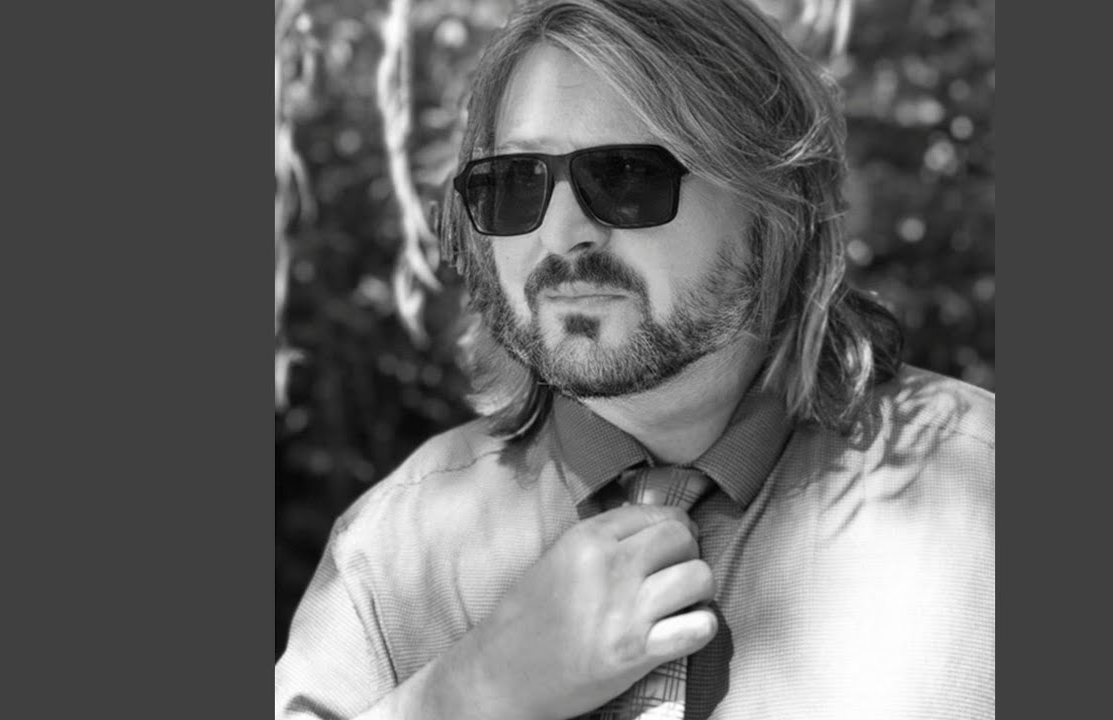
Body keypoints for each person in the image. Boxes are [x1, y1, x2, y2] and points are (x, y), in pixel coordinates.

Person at [275, 0, 995, 718]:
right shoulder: (394, 551)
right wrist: (475, 692)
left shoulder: (980, 509)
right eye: (516, 182)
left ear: (779, 202)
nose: (561, 233)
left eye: (624, 175)